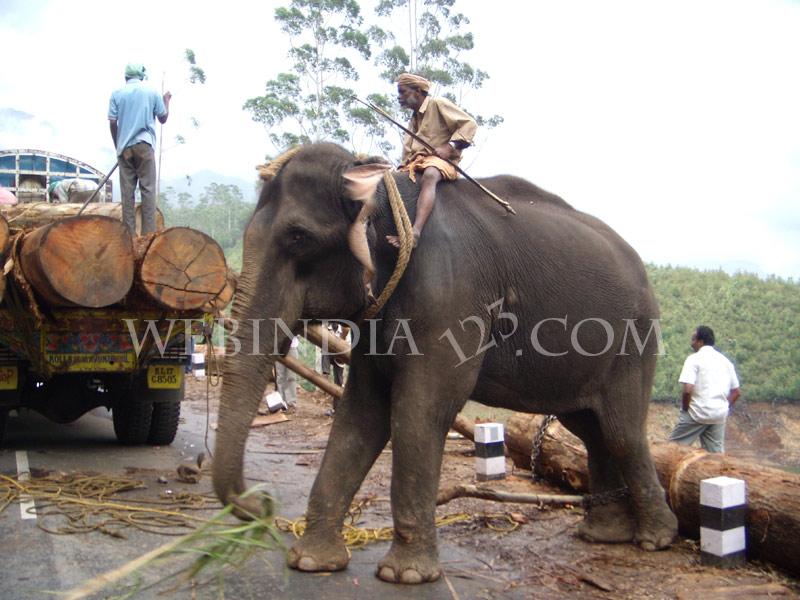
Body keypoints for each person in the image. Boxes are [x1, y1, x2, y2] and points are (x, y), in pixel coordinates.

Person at [386, 73, 477, 248]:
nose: (399, 97)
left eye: (402, 92)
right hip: (416, 163)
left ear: (418, 91)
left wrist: (449, 147)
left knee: (430, 175)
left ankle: (415, 232)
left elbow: (470, 124)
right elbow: (407, 152)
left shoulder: (437, 104)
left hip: (440, 161)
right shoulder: (413, 119)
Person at [108, 63, 171, 235]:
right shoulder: (151, 92)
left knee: (127, 195)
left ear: (126, 77)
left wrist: (118, 145)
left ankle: (128, 237)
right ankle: (148, 237)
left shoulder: (117, 94)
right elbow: (163, 117)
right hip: (144, 145)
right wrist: (166, 101)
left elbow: (113, 122)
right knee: (148, 190)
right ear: (142, 76)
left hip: (124, 148)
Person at [669, 325, 741, 453]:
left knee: (671, 450)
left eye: (693, 339)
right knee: (715, 456)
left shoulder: (693, 359)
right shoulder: (726, 362)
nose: (691, 343)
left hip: (696, 413)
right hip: (718, 416)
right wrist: (724, 406)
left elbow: (687, 390)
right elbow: (736, 392)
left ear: (700, 342)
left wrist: (686, 410)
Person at [276, 337, 300, 408]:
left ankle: (291, 402)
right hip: (279, 347)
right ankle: (280, 401)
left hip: (292, 347)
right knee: (280, 376)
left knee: (291, 376)